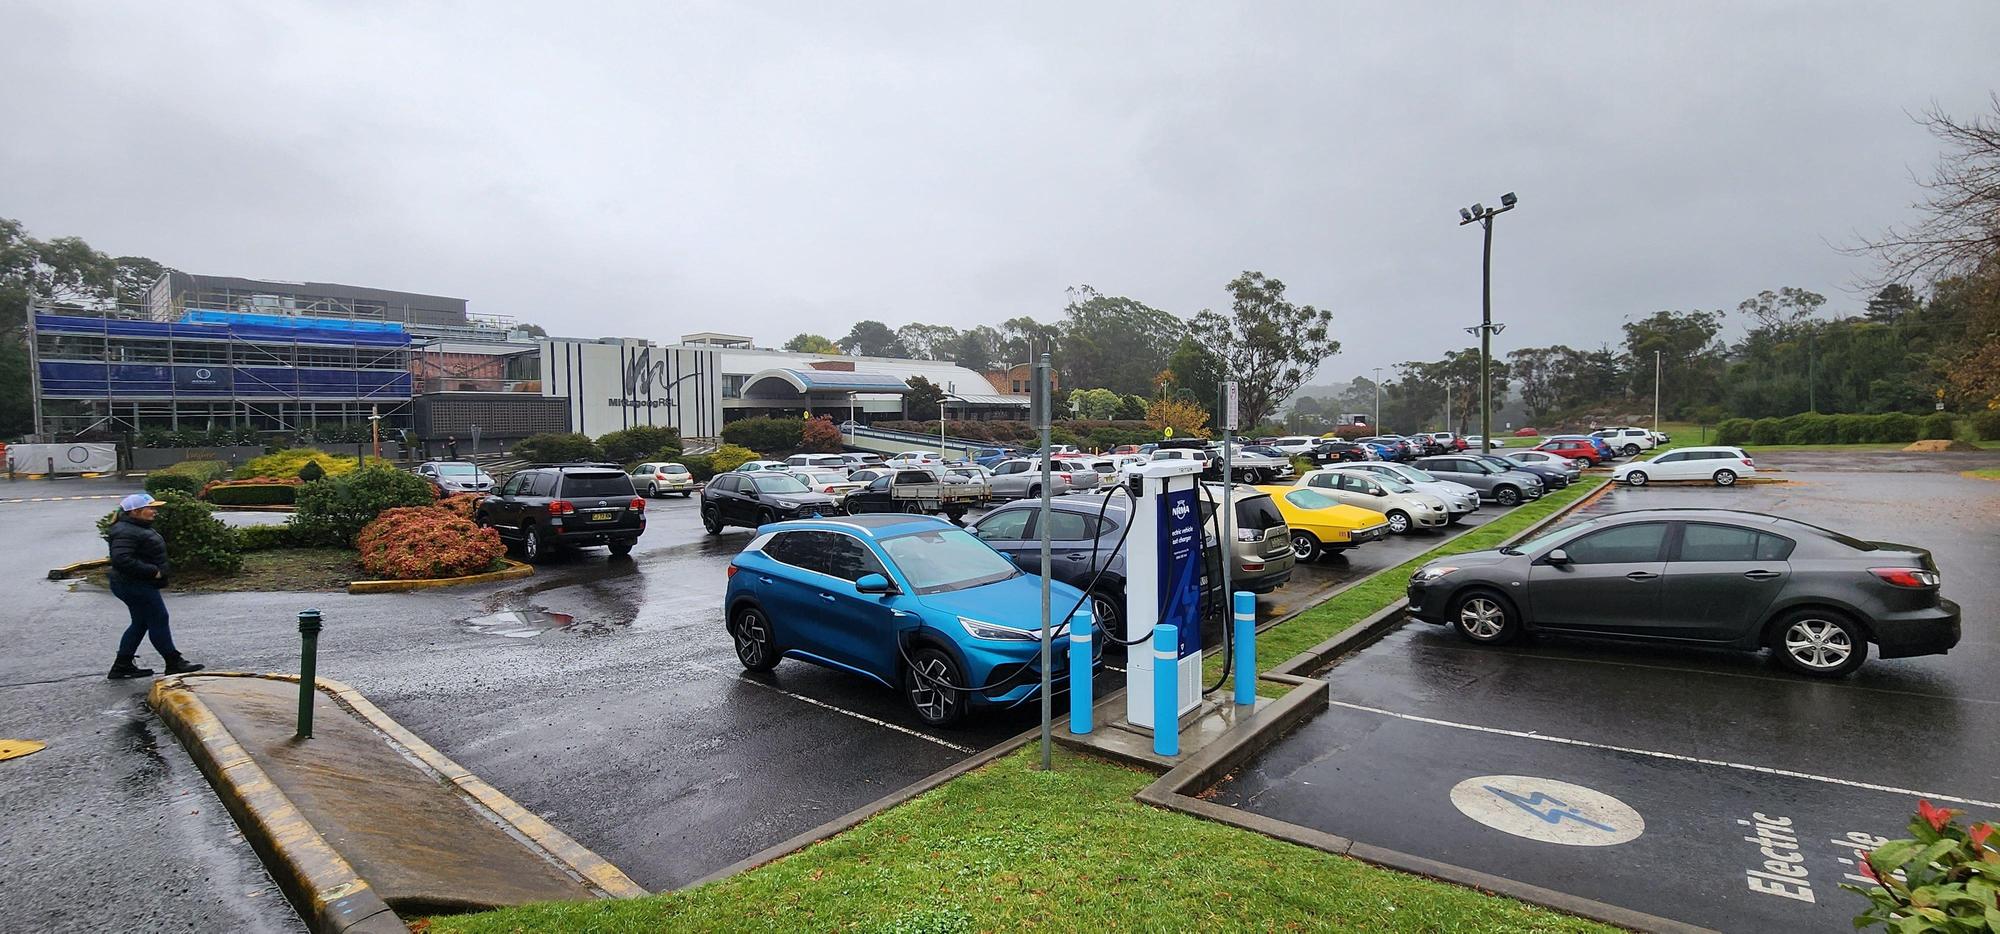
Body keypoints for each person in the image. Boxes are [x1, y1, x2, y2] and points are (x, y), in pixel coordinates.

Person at [105, 493, 203, 679]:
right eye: (150, 508)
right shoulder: (127, 531)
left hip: (132, 583)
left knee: (141, 622)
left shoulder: (135, 527)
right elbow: (121, 559)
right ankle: (173, 661)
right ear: (135, 511)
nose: (154, 511)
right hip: (134, 584)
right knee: (158, 618)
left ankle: (122, 665)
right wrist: (152, 571)